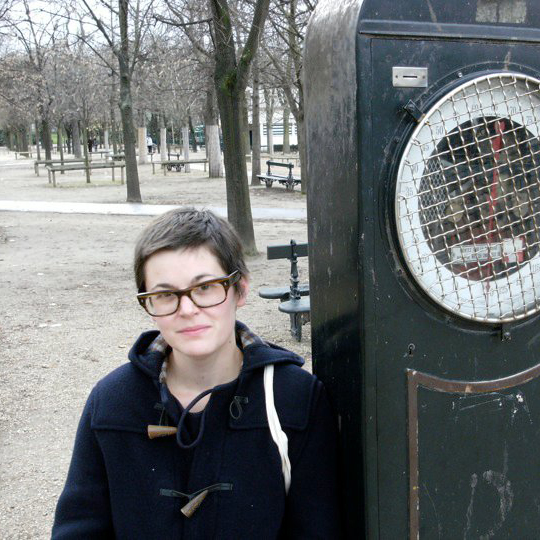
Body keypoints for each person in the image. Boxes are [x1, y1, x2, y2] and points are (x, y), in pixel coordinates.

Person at [52, 208, 340, 539]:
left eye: (205, 288)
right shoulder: (112, 402)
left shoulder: (295, 399)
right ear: (148, 304)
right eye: (165, 294)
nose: (188, 309)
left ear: (240, 290)